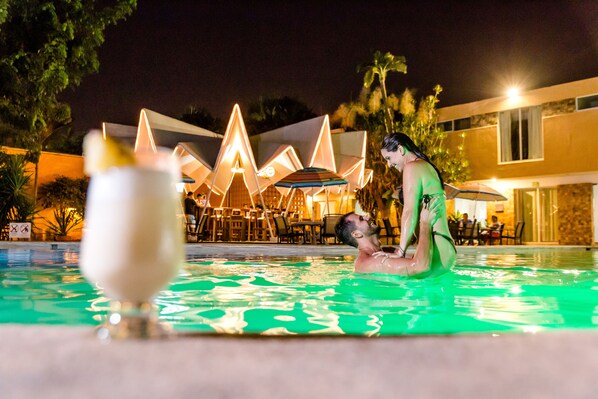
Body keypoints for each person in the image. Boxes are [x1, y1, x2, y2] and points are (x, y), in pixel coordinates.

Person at [380, 133, 456, 269]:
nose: (389, 164)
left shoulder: (412, 167)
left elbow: (409, 210)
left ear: (400, 149)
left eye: (389, 158)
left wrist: (400, 251)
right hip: (443, 246)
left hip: (437, 248)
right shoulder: (426, 166)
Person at [335, 196, 455, 276]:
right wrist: (425, 224)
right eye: (361, 219)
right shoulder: (369, 262)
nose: (367, 216)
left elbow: (423, 258)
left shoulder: (386, 252)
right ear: (356, 234)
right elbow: (420, 267)